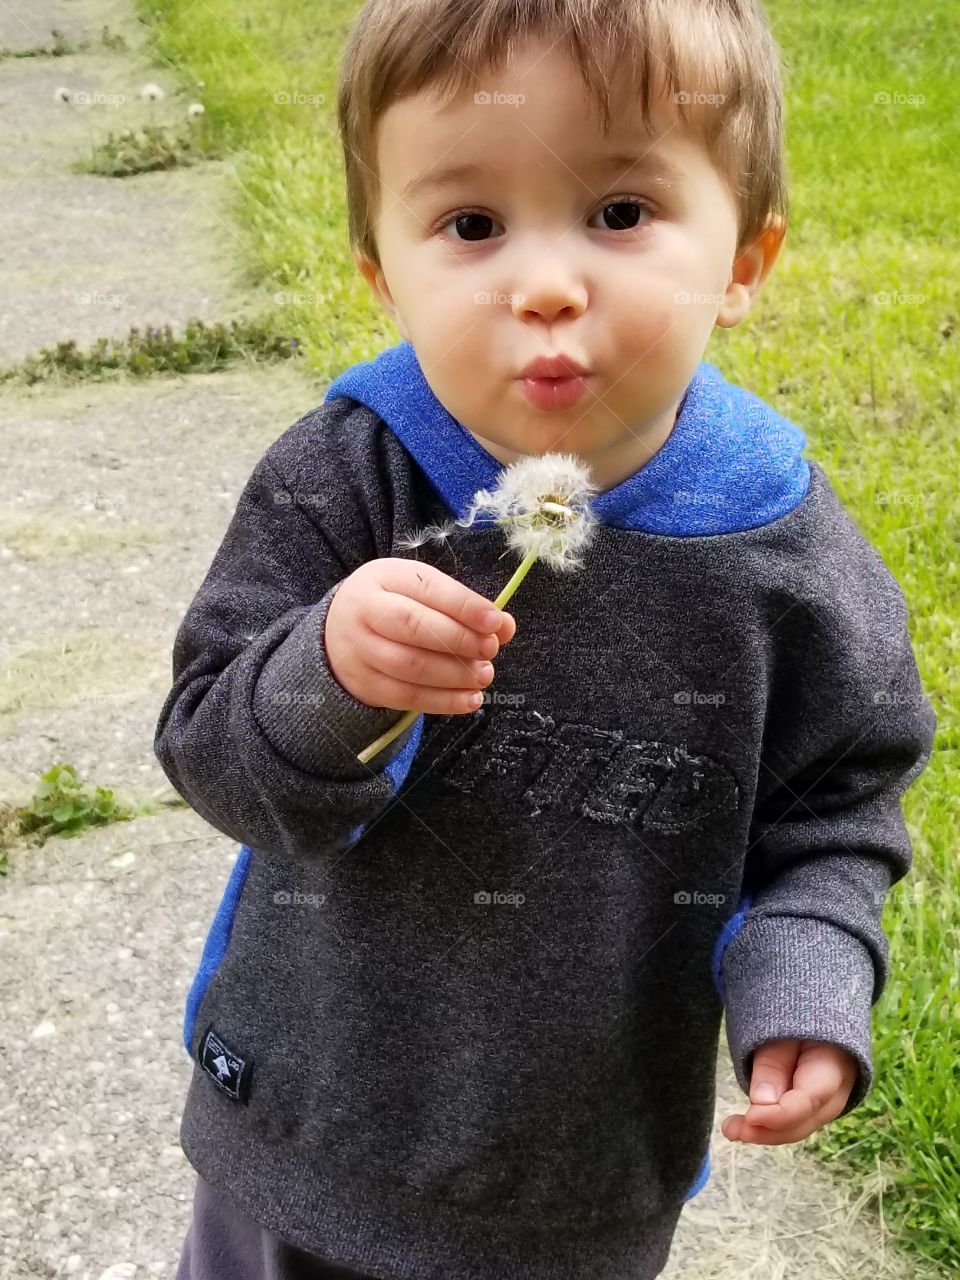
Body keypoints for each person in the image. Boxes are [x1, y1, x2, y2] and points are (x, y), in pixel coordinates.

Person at [156, 1, 937, 1277]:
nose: (547, 283)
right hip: (306, 1131)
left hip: (578, 1181)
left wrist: (807, 981)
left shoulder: (786, 555)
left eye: (621, 212)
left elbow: (835, 812)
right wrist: (327, 674)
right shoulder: (348, 476)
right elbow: (208, 743)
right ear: (379, 272)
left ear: (744, 257)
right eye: (469, 224)